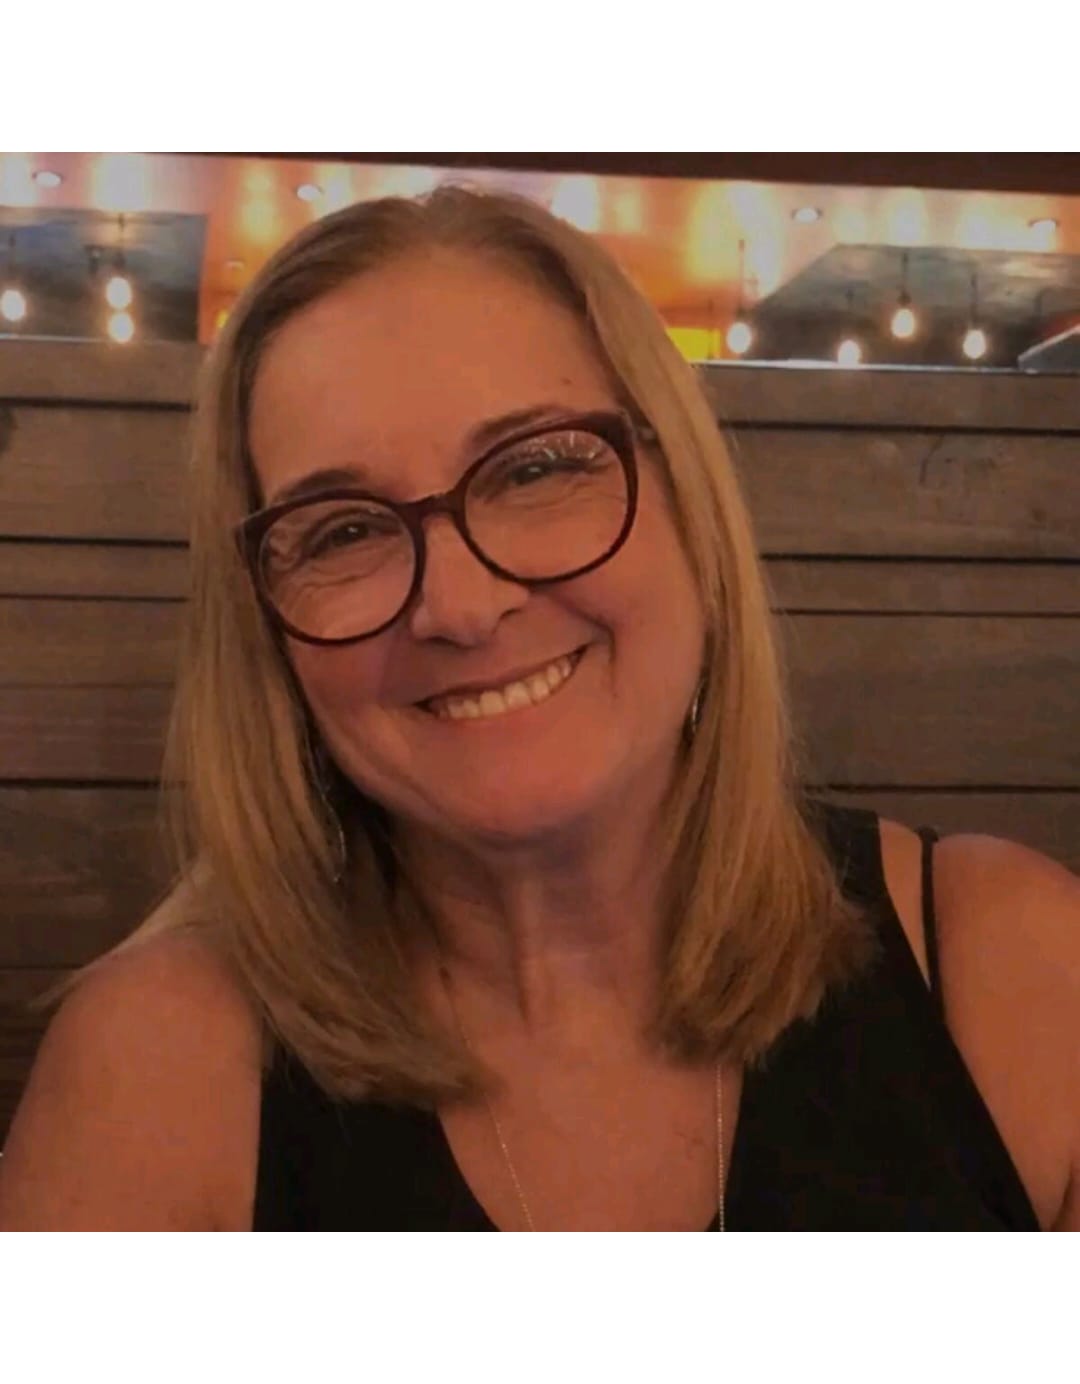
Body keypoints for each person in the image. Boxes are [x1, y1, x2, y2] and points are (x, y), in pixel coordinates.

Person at [1, 186, 1077, 1231]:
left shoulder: (1015, 970)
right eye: (343, 531)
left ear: (691, 508)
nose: (461, 608)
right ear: (265, 634)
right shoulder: (151, 1075)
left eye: (535, 469)